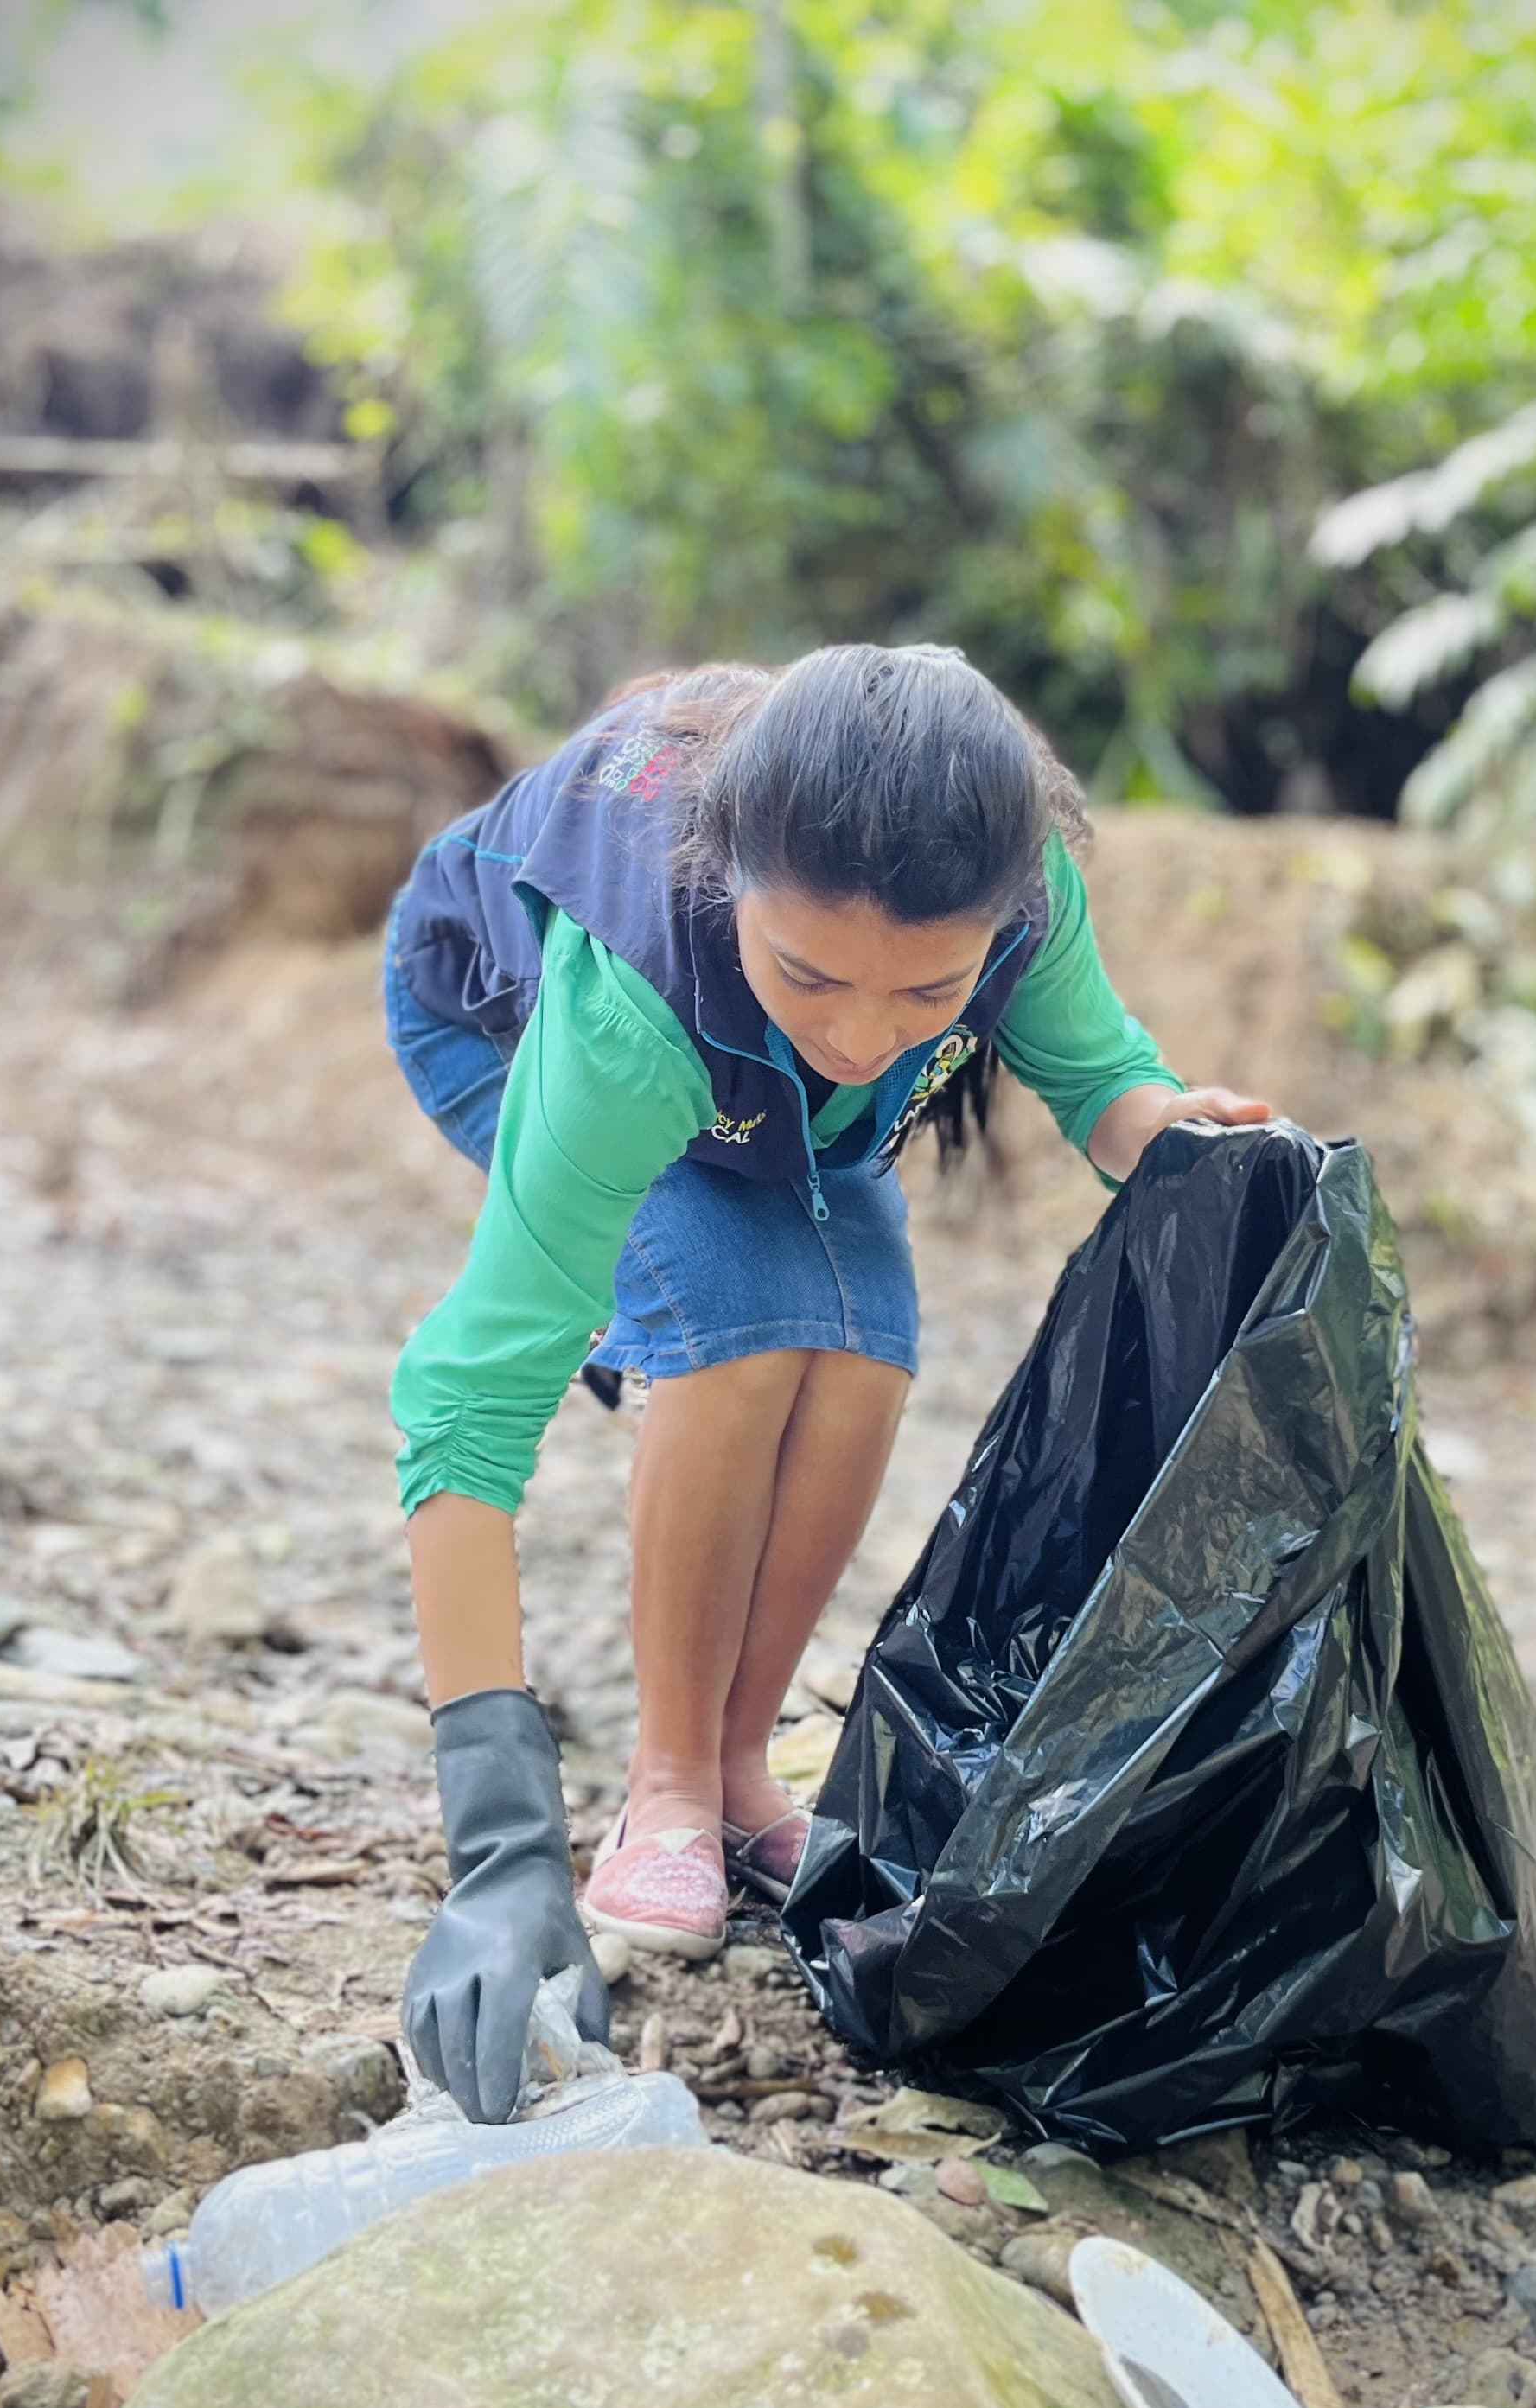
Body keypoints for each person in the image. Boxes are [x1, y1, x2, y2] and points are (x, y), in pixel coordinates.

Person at [379, 644, 1273, 2119]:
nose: (863, 1033)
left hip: (774, 1102)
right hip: (499, 1017)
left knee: (860, 1351)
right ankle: (665, 1785)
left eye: (928, 990)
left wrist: (1185, 1138)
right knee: (741, 1332)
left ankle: (738, 1779)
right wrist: (498, 1852)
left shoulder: (1016, 881)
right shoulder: (626, 1013)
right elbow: (464, 1404)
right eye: (811, 972)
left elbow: (1098, 1077)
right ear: (732, 883)